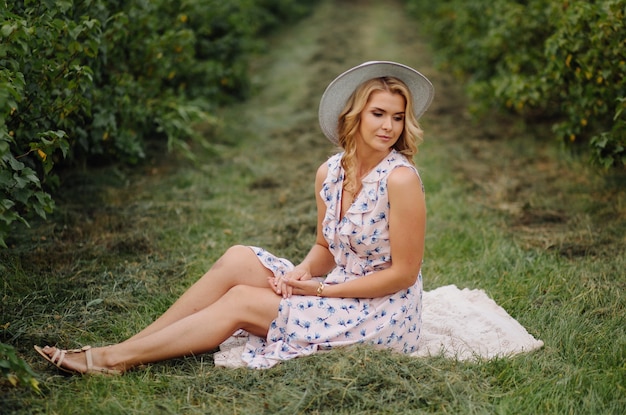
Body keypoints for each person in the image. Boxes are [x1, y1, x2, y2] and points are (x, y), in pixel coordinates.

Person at [35, 61, 434, 374]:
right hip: (339, 286)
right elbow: (324, 249)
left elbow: (402, 274)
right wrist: (300, 273)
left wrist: (318, 292)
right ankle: (129, 345)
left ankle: (113, 360)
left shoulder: (399, 181)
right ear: (356, 115)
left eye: (397, 117)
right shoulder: (329, 173)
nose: (388, 126)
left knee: (243, 300)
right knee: (240, 257)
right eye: (379, 113)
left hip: (383, 313)